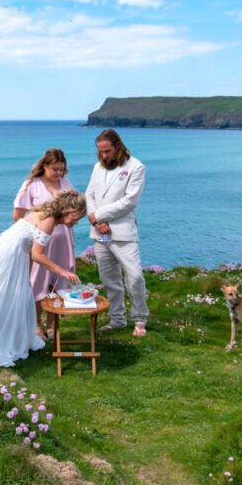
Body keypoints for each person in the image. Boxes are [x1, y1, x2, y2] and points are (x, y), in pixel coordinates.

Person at [0, 189, 84, 367]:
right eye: (77, 217)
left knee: (18, 296)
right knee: (4, 297)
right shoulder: (48, 220)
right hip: (10, 253)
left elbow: (32, 251)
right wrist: (63, 272)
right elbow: (38, 255)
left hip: (5, 249)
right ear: (68, 211)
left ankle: (10, 339)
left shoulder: (44, 214)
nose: (77, 222)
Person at [85, 129, 149, 337]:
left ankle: (140, 318)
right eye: (101, 152)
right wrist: (96, 220)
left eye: (108, 151)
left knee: (135, 276)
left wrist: (99, 216)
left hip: (122, 232)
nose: (104, 156)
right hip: (99, 233)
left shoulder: (136, 167)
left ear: (118, 146)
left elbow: (129, 201)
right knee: (109, 279)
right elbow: (89, 194)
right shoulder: (97, 167)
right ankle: (117, 319)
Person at [13, 148, 77, 339]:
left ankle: (52, 323)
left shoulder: (65, 183)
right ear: (45, 166)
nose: (58, 173)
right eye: (55, 169)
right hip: (40, 243)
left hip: (63, 240)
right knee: (37, 282)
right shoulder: (31, 184)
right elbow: (17, 216)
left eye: (62, 170)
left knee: (57, 282)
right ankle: (36, 325)